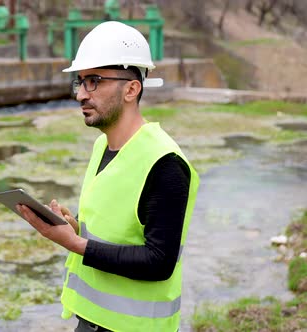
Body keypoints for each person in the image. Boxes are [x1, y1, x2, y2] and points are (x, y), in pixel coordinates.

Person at [16, 21, 199, 332]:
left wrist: (75, 244)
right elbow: (112, 228)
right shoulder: (103, 145)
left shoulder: (165, 163)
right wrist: (73, 226)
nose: (81, 95)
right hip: (91, 322)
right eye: (80, 82)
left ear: (131, 89)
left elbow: (159, 261)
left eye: (94, 81)